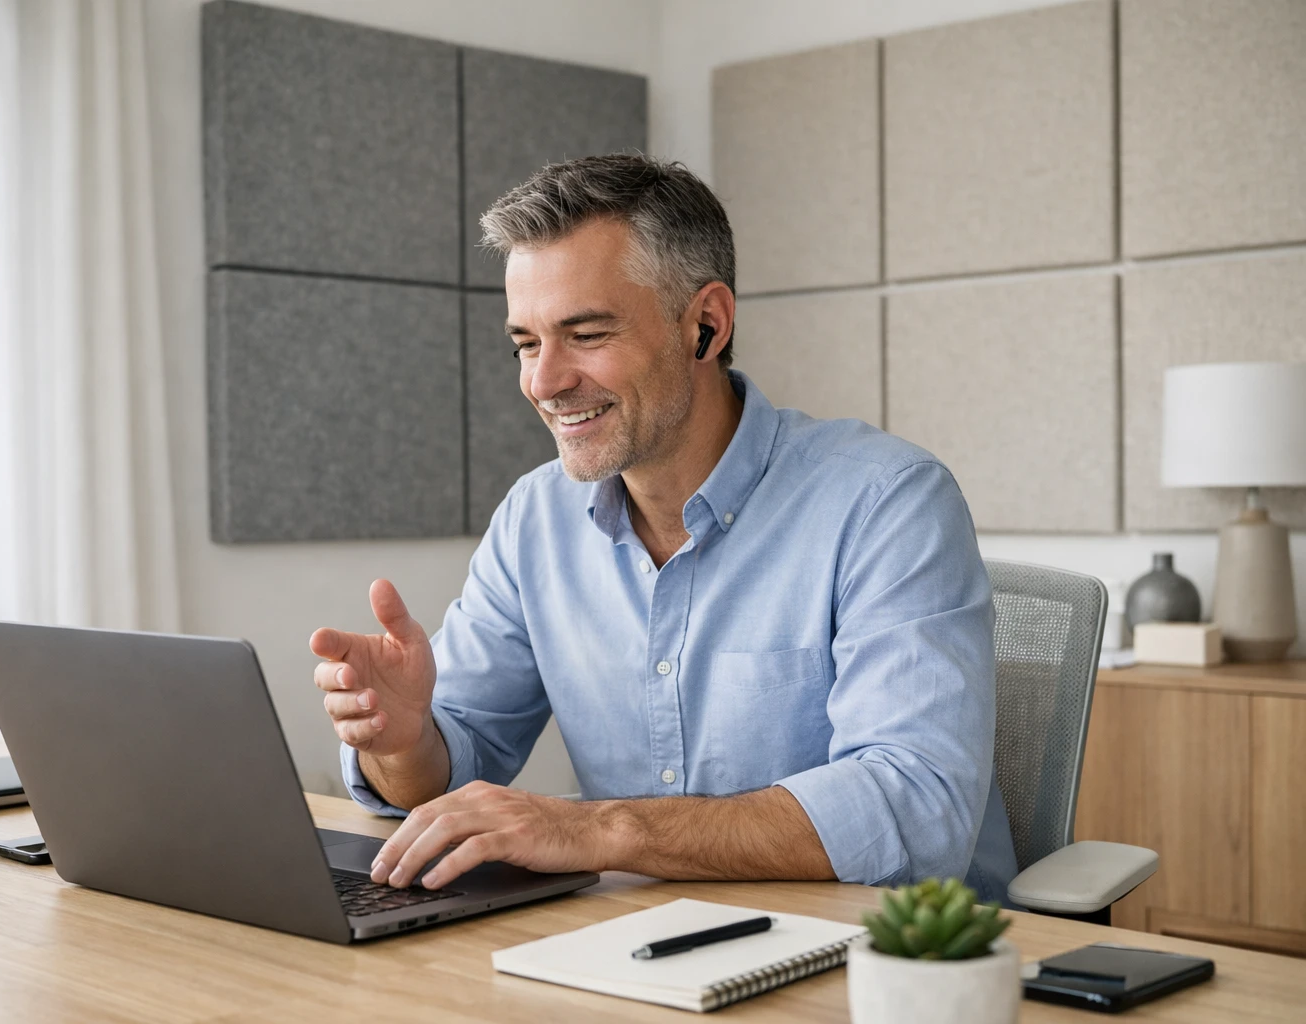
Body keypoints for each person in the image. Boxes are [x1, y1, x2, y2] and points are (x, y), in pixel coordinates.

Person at [309, 154, 1017, 902]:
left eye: (584, 334)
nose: (544, 382)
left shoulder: (887, 502)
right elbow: (447, 762)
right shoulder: (534, 519)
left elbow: (916, 807)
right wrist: (402, 739)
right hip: (646, 948)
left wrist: (601, 830)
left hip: (894, 962)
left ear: (705, 326)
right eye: (526, 343)